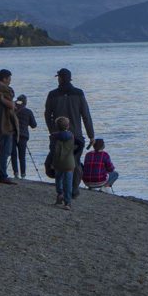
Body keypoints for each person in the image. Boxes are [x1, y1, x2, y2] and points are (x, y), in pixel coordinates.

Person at [44, 68, 95, 198]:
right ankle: (74, 189)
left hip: (58, 135)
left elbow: (47, 114)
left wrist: (52, 131)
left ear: (59, 78)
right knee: (76, 162)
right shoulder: (79, 93)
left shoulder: (52, 94)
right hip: (76, 135)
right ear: (70, 78)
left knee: (58, 162)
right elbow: (86, 116)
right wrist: (91, 135)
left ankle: (61, 190)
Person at [50, 117, 76, 210]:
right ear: (68, 126)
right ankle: (67, 202)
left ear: (57, 126)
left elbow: (52, 150)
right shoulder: (71, 135)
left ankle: (60, 193)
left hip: (57, 162)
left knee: (58, 179)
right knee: (68, 182)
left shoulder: (53, 136)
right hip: (69, 162)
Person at [11, 94, 38, 179]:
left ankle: (15, 173)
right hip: (23, 135)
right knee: (22, 156)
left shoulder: (12, 111)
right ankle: (23, 174)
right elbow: (34, 125)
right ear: (25, 102)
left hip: (12, 135)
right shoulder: (28, 112)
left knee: (13, 154)